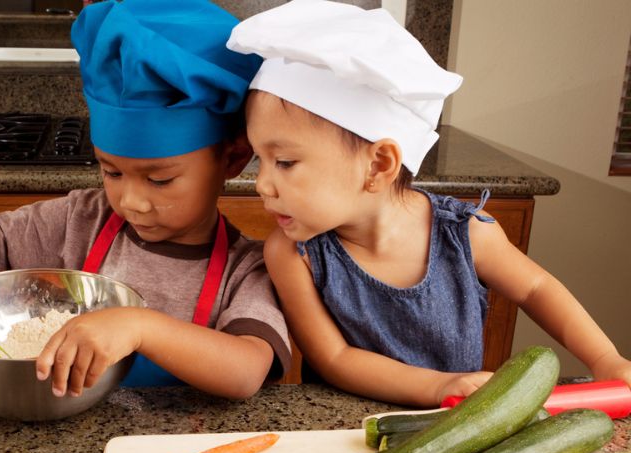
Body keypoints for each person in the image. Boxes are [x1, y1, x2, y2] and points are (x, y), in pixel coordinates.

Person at [227, 0, 631, 407]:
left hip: (455, 425)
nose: (262, 185)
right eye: (261, 160)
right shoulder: (293, 253)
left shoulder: (467, 233)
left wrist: (604, 358)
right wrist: (436, 387)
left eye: (284, 162)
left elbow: (536, 288)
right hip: (342, 430)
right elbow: (335, 358)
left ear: (379, 165)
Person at [0, 0, 290, 400]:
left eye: (160, 179)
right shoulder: (80, 220)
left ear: (233, 158)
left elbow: (246, 371)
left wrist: (139, 328)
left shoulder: (247, 268)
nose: (130, 201)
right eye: (112, 171)